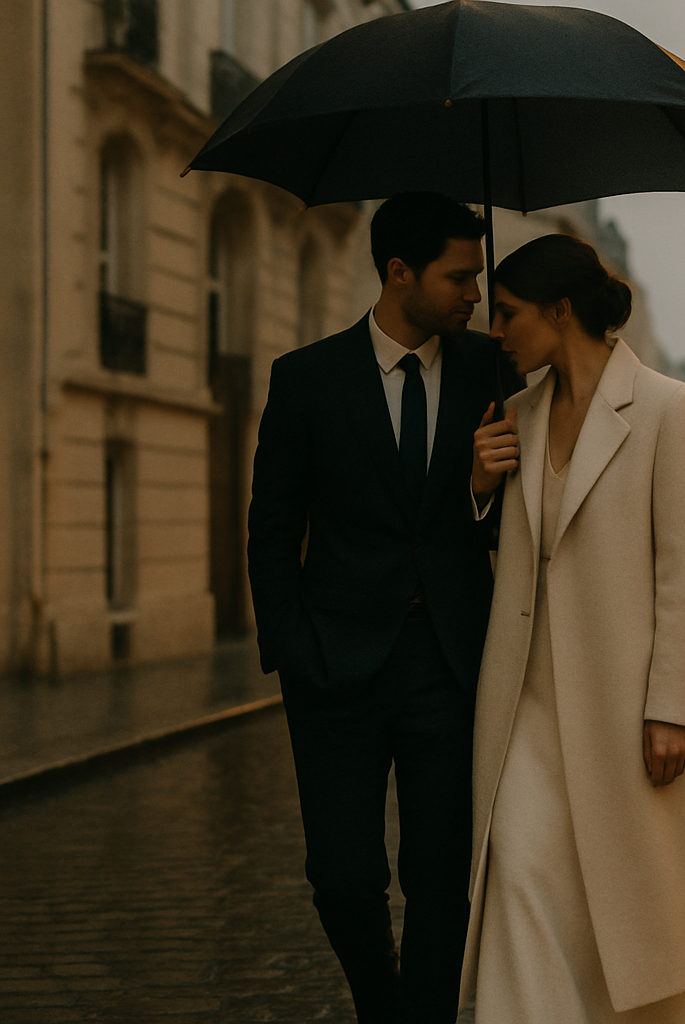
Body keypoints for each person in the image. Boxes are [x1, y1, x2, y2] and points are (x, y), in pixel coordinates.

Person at [464, 234, 685, 1023]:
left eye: (511, 315)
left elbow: (682, 572)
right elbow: (497, 547)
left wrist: (672, 705)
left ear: (560, 312)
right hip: (524, 705)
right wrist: (477, 487)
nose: (497, 332)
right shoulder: (515, 415)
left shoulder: (669, 407)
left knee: (637, 909)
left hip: (623, 703)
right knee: (520, 876)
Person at [247, 192, 520, 1024]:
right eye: (459, 276)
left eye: (477, 276)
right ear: (400, 272)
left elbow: (531, 517)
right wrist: (289, 643)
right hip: (334, 666)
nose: (476, 294)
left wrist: (482, 494)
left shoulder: (492, 372)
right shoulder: (306, 379)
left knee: (441, 874)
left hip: (447, 661)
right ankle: (385, 1007)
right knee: (342, 874)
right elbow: (272, 524)